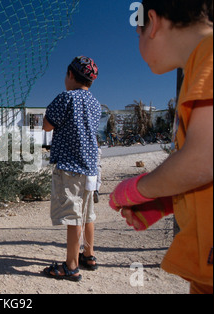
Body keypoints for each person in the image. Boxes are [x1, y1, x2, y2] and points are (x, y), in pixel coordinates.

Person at [109, 0, 212, 294]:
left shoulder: (210, 55)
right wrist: (165, 201)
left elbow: (204, 159)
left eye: (137, 33)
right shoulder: (199, 66)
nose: (138, 45)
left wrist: (138, 188)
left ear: (152, 23)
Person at [42, 56, 101, 281]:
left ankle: (71, 266)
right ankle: (89, 255)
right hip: (90, 167)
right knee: (88, 213)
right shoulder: (95, 103)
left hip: (69, 166)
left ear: (70, 74)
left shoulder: (66, 98)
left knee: (73, 216)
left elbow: (48, 124)